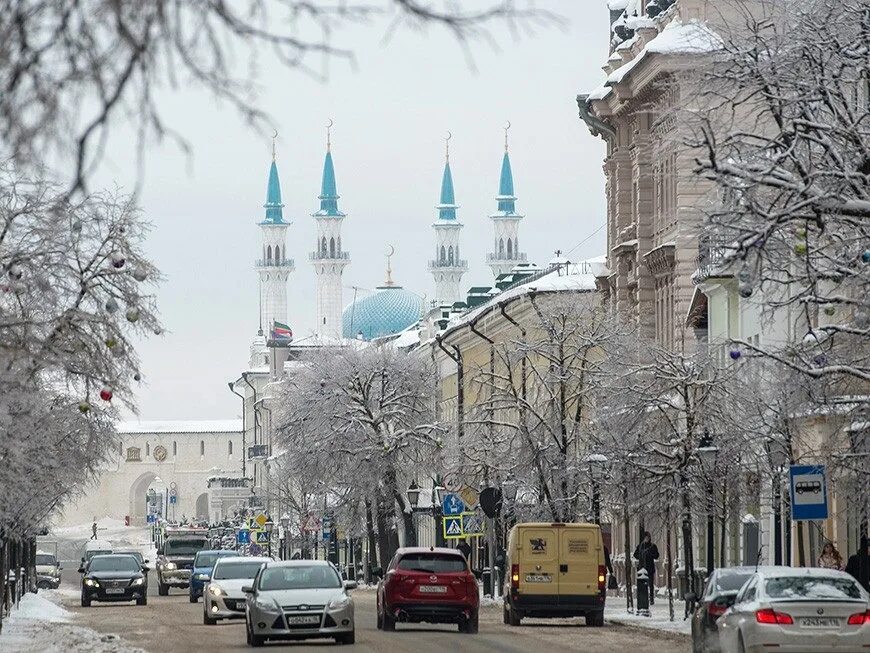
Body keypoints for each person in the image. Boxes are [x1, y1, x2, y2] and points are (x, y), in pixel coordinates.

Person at [633, 531, 660, 605]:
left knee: (650, 584)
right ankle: (643, 598)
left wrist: (650, 554)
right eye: (645, 538)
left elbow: (657, 555)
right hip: (642, 568)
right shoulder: (640, 546)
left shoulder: (652, 546)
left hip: (650, 567)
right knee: (642, 584)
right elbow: (635, 554)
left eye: (648, 537)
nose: (646, 539)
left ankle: (651, 598)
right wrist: (641, 556)